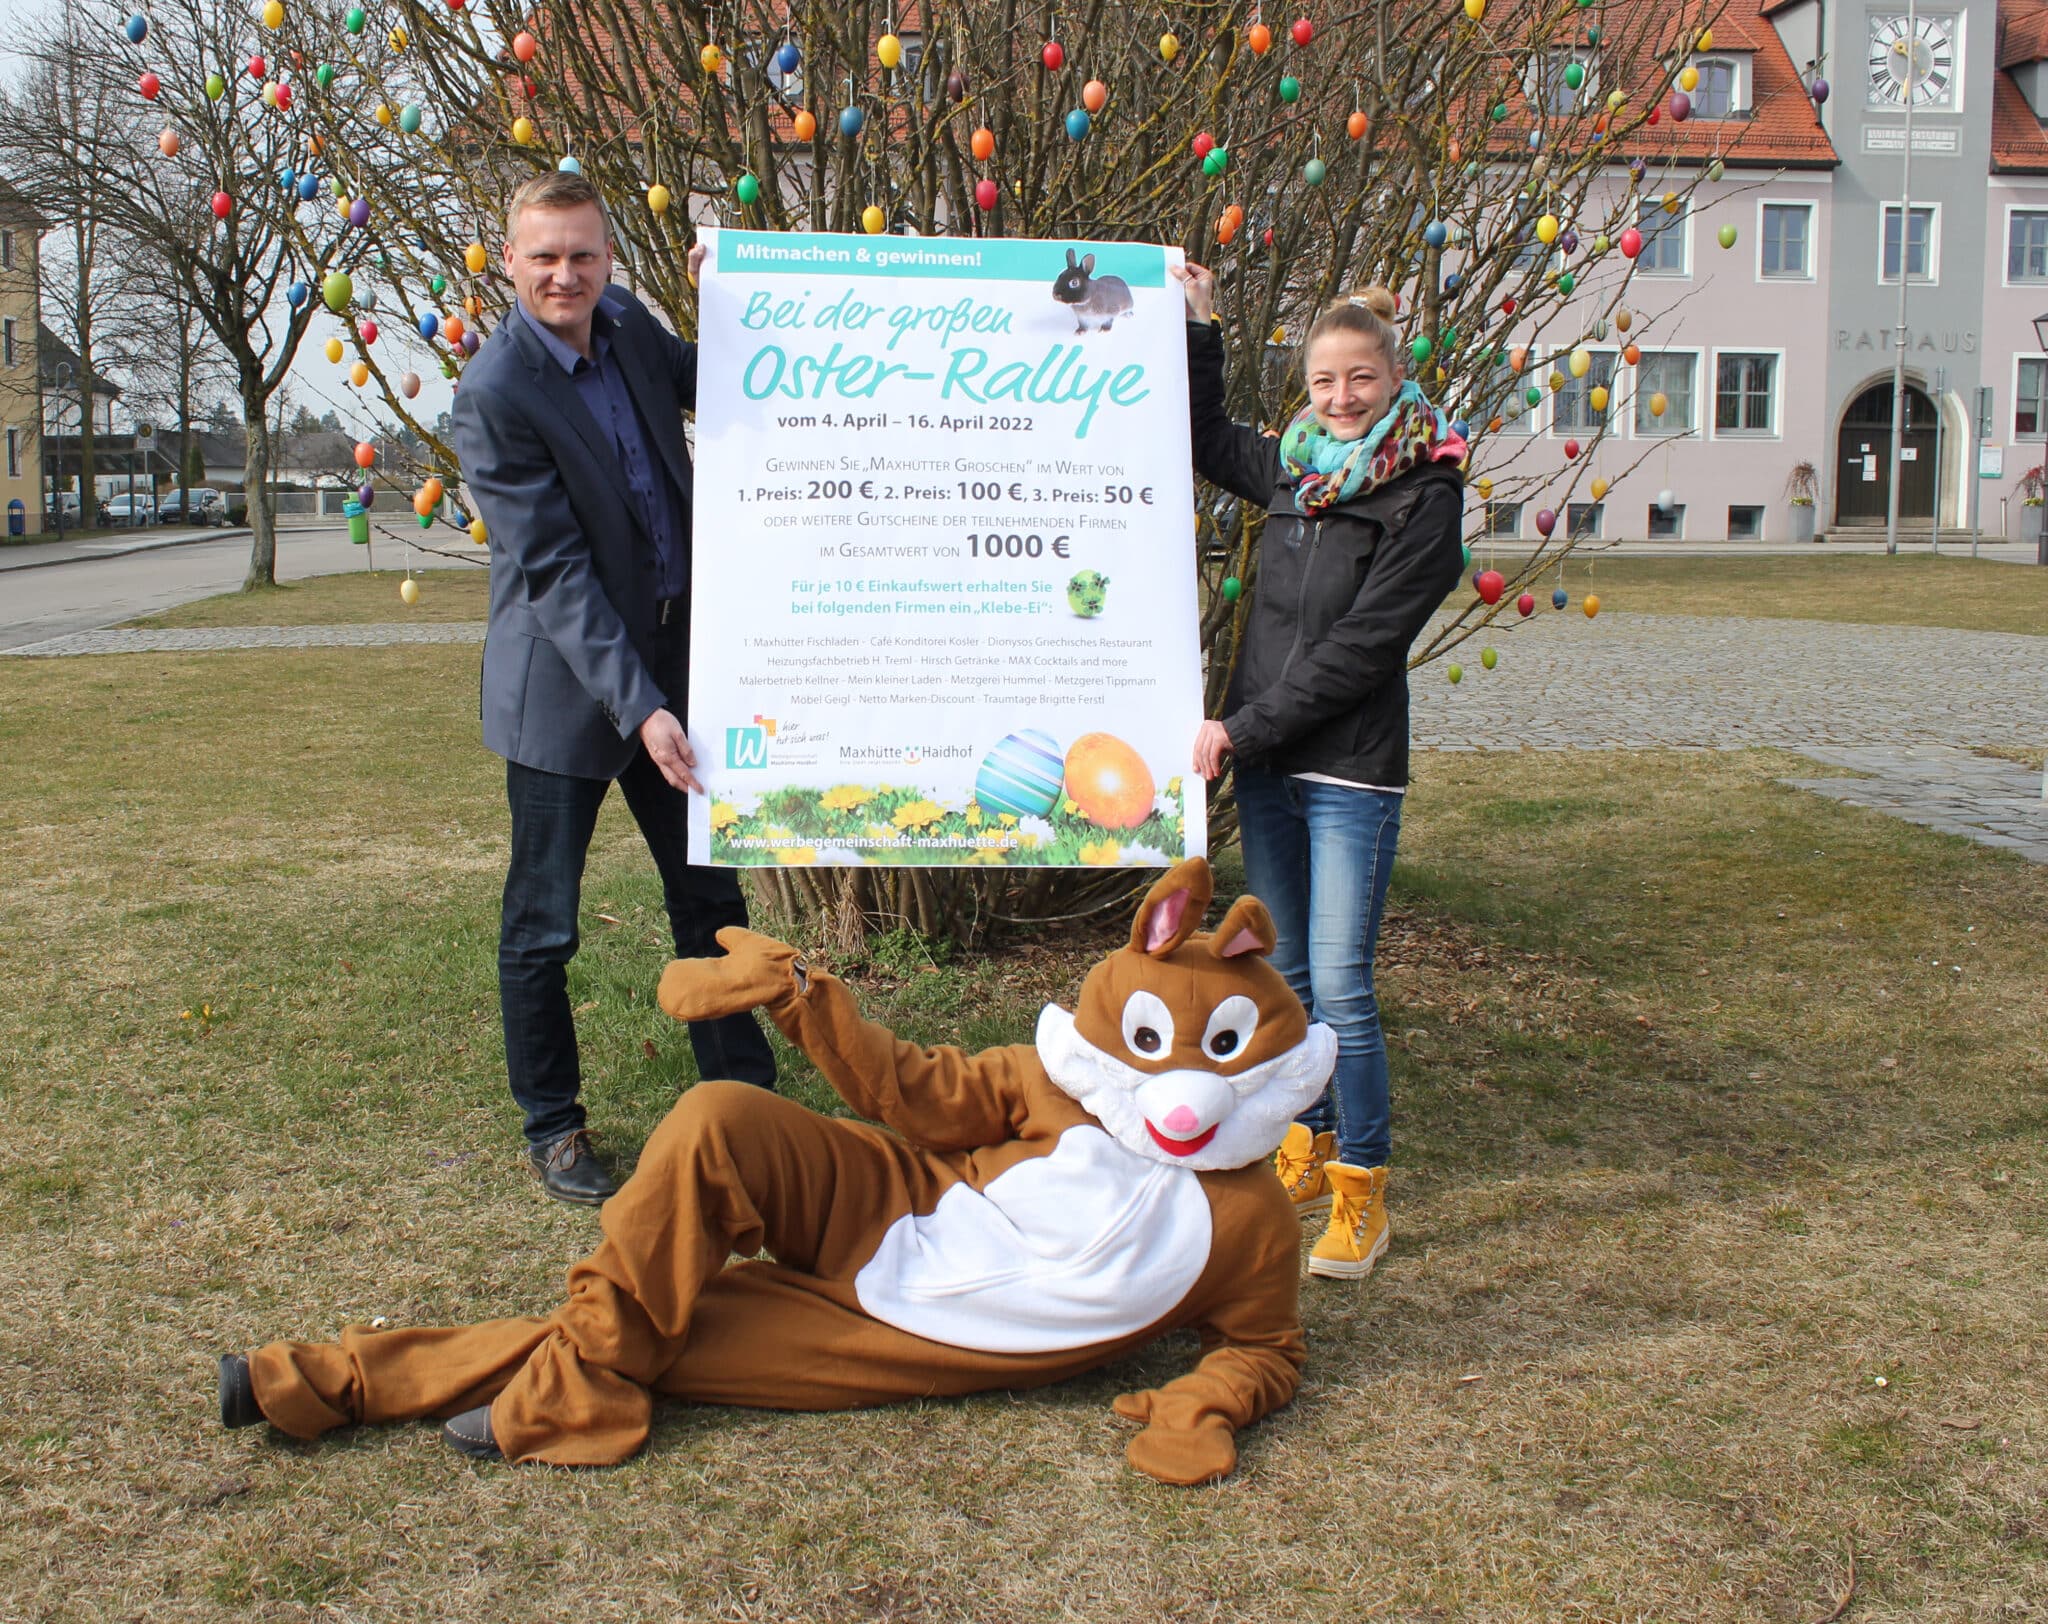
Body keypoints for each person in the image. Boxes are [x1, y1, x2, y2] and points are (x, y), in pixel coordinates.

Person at [219, 861, 1325, 1487]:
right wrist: (800, 991)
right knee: (715, 1114)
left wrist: (1205, 1400)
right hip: (900, 1204)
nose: (1183, 1089)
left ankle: (338, 1378)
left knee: (655, 1327)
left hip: (916, 1333)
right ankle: (576, 1388)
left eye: (1220, 1054)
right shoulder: (1054, 1077)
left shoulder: (1253, 1222)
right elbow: (909, 1086)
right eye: (1157, 1045)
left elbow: (1265, 1347)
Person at [451, 170, 775, 1205]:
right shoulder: (495, 394)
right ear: (508, 261)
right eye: (543, 256)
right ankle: (552, 1125)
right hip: (567, 692)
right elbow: (553, 573)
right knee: (541, 921)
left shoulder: (627, 322)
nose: (564, 274)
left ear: (607, 258)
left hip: (678, 660)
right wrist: (640, 706)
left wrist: (727, 295)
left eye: (583, 254)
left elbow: (721, 378)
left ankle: (744, 1105)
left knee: (708, 894)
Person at [1172, 265, 1466, 1280]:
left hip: (1345, 769)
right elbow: (1207, 441)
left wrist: (1242, 726)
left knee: (1339, 983)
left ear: (1394, 378)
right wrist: (1201, 325)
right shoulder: (1296, 473)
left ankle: (1364, 1195)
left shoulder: (1423, 494)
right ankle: (1316, 1141)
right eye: (1324, 382)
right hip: (1267, 760)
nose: (1341, 399)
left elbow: (1360, 652)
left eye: (1361, 380)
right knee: (1288, 974)